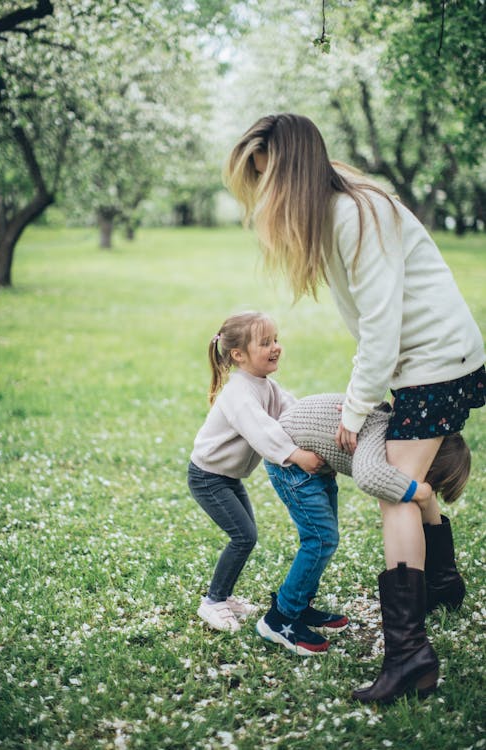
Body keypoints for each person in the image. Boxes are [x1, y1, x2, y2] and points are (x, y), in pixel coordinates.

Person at [224, 113, 485, 703]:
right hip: (434, 359)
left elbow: (381, 327)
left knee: (392, 488)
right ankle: (441, 584)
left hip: (431, 362)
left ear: (294, 171)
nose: (265, 193)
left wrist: (354, 408)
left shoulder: (354, 215)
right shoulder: (340, 204)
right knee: (406, 480)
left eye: (268, 178)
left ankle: (411, 656)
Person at [258, 395, 470, 654]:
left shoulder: (400, 432)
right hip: (293, 462)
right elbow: (367, 476)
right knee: (321, 540)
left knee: (325, 539)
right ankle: (280, 617)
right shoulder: (380, 436)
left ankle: (299, 606)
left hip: (318, 466)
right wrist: (418, 491)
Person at [188, 310, 337, 651]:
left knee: (246, 537)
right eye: (266, 342)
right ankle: (213, 601)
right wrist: (298, 455)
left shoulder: (265, 385)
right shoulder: (239, 392)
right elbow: (263, 432)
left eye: (276, 339)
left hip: (227, 477)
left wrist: (324, 423)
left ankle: (224, 596)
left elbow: (291, 412)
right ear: (238, 354)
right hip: (208, 477)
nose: (276, 347)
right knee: (244, 536)